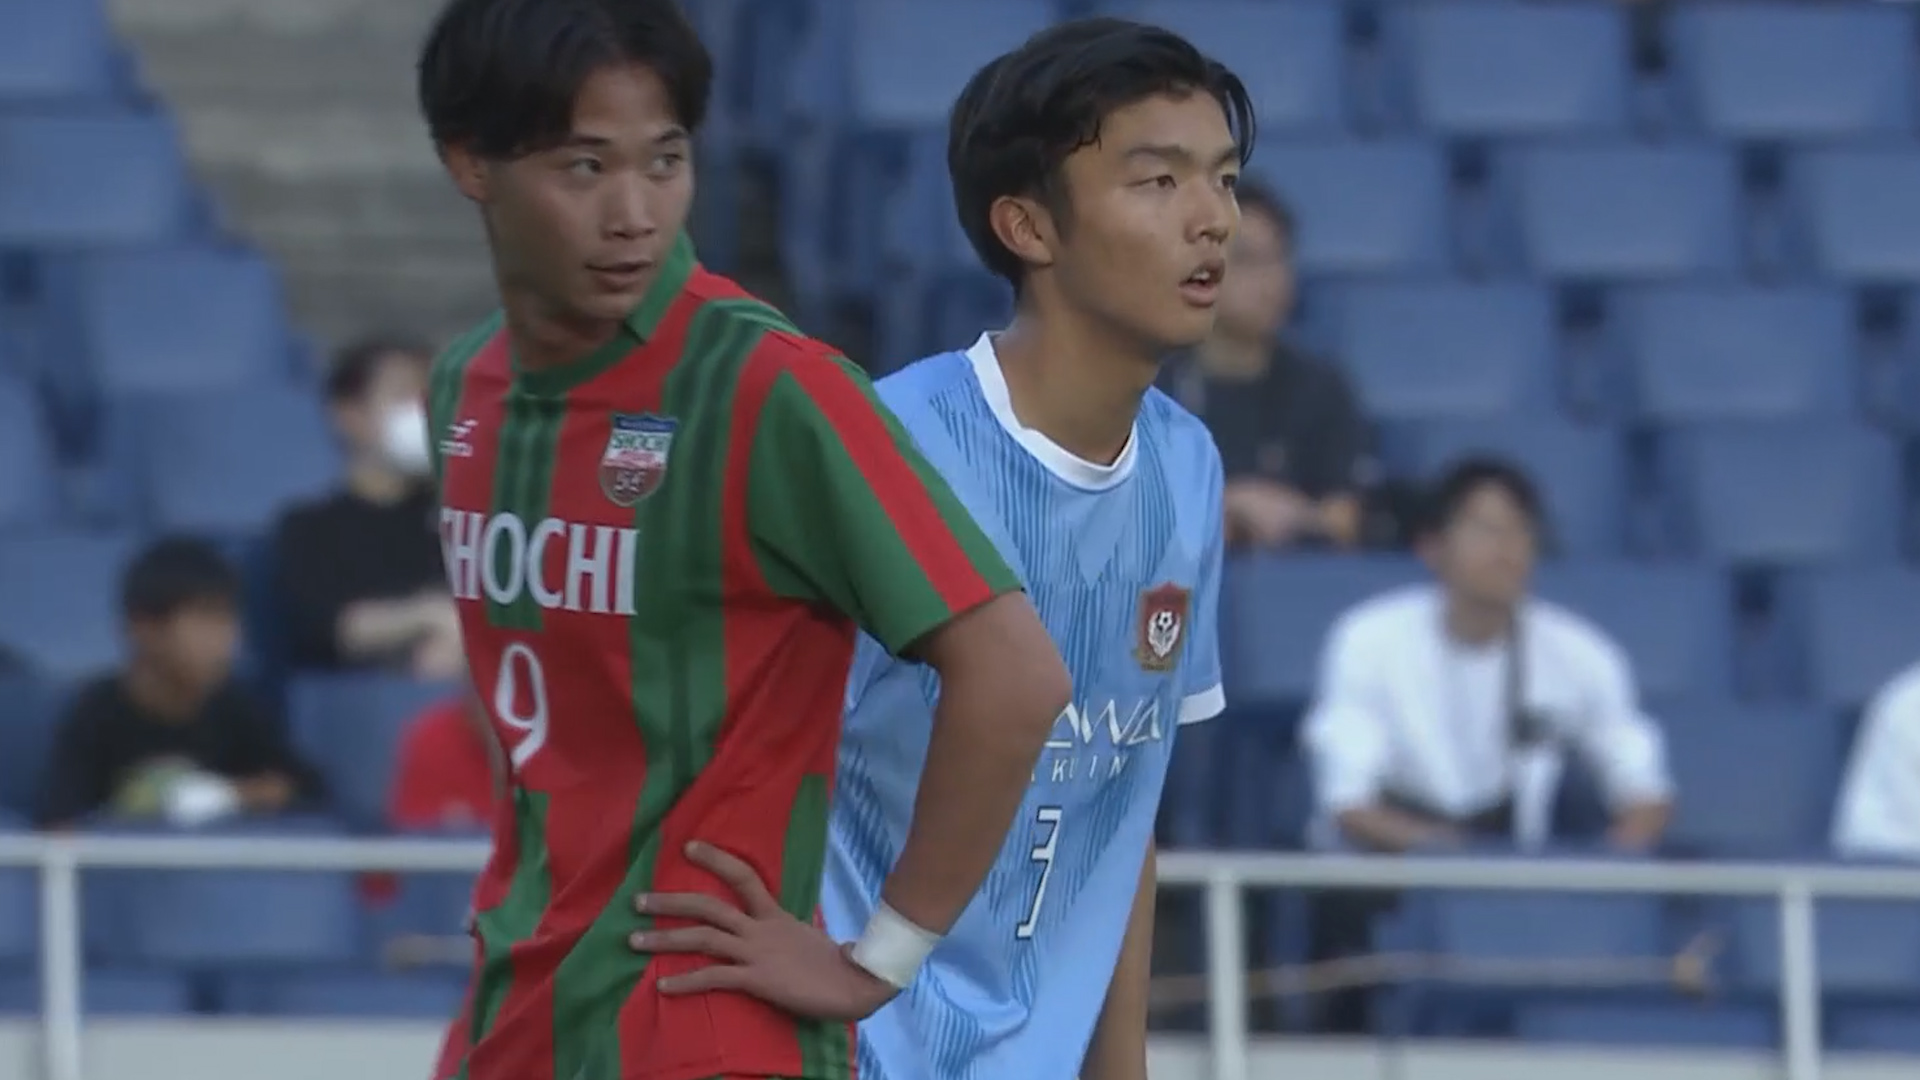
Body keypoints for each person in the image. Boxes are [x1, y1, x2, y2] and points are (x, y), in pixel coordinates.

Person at [414, 2, 1072, 1079]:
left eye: (664, 161)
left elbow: (1015, 674)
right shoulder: (465, 387)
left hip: (702, 1026)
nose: (635, 213)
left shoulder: (767, 387)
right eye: (585, 168)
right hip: (513, 1015)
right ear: (471, 164)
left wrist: (879, 959)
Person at [633, 18, 1245, 1080]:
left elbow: (1121, 802)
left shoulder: (1188, 467)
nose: (1213, 222)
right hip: (842, 1048)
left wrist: (1122, 1062)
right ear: (1027, 225)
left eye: (1225, 180)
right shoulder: (886, 445)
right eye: (1158, 183)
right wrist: (860, 970)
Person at [38, 537, 325, 829]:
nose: (226, 641)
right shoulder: (95, 714)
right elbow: (59, 826)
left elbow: (307, 790)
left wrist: (236, 795)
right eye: (206, 620)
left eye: (230, 620)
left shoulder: (236, 709)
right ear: (144, 628)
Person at [1161, 181, 1370, 551]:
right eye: (1247, 260)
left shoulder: (1320, 387)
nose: (1270, 280)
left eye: (1280, 258)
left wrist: (1293, 516)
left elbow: (1347, 518)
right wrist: (1226, 507)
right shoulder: (1152, 386)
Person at [270, 337, 459, 676]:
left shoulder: (454, 521)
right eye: (404, 395)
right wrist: (427, 616)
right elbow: (327, 628)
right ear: (349, 414)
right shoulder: (311, 528)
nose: (424, 411)